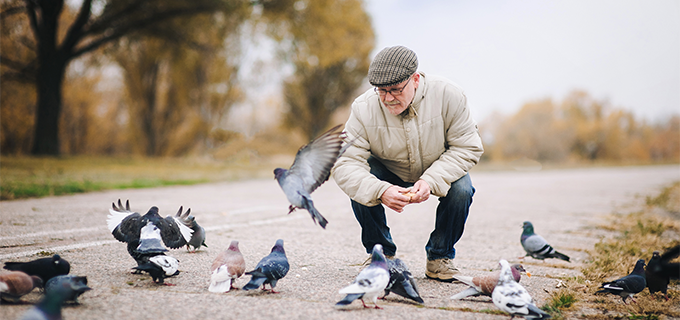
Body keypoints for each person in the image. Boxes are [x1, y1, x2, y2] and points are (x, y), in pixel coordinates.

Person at [331, 45, 484, 282]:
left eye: (395, 90)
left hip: (437, 166)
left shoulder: (450, 95)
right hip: (387, 168)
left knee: (462, 189)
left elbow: (467, 147)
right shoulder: (363, 108)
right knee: (360, 181)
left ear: (415, 79)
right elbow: (345, 163)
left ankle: (440, 257)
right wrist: (380, 189)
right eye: (381, 91)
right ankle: (380, 256)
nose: (388, 98)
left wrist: (431, 180)